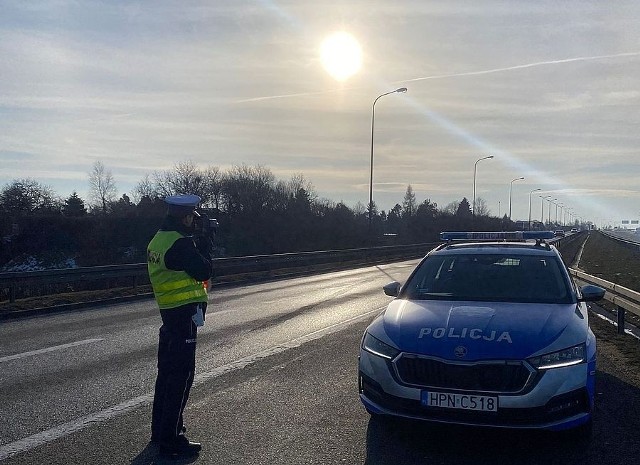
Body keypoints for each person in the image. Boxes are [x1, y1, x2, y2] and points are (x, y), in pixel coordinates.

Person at [147, 194, 214, 458]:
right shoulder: (181, 244)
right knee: (181, 376)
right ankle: (172, 438)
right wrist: (207, 245)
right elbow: (204, 271)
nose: (194, 222)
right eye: (192, 217)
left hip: (169, 314)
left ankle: (160, 430)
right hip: (183, 315)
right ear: (184, 217)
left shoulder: (159, 239)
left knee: (166, 374)